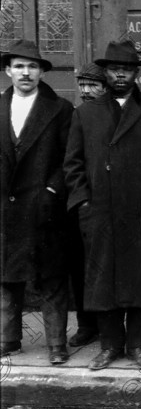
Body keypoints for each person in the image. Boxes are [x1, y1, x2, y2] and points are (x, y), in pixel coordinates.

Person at [64, 40, 141, 370]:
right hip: (100, 213)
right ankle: (109, 345)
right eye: (116, 69)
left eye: (128, 69)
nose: (121, 75)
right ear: (105, 72)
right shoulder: (86, 114)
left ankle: (137, 346)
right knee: (103, 282)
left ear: (136, 73)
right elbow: (72, 165)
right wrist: (84, 205)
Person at [1, 40, 73, 364]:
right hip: (5, 206)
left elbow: (69, 158)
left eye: (32, 66)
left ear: (43, 71)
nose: (25, 73)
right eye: (18, 66)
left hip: (44, 206)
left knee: (51, 276)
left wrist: (53, 191)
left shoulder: (60, 109)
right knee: (6, 276)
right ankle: (8, 338)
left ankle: (57, 343)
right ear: (7, 71)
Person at [67, 63, 107, 349]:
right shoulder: (75, 116)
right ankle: (86, 325)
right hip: (79, 205)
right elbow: (71, 161)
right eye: (82, 84)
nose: (85, 90)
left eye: (92, 85)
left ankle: (109, 326)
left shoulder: (113, 117)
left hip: (110, 206)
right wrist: (80, 199)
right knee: (81, 268)